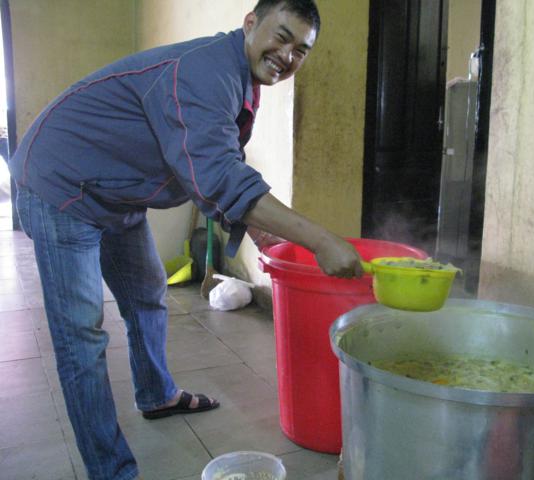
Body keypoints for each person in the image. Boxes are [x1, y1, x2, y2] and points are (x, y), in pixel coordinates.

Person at [8, 1, 362, 479]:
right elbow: (219, 177)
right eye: (281, 37)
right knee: (82, 336)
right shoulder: (204, 72)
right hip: (61, 185)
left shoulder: (241, 78)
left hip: (116, 191)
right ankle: (110, 471)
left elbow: (213, 161)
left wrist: (265, 235)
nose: (287, 56)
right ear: (251, 24)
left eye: (301, 50)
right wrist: (321, 240)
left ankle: (156, 394)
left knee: (146, 293)